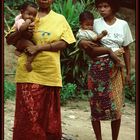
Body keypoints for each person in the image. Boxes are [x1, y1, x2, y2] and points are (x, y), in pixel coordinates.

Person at [6, 0, 76, 139]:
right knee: (28, 115)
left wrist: (39, 47)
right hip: (28, 73)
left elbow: (64, 43)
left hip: (50, 73)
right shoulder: (28, 14)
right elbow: (9, 39)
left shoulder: (59, 19)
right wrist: (23, 30)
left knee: (47, 117)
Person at [78, 0, 133, 140]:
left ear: (113, 7)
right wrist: (83, 43)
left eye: (106, 6)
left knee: (116, 106)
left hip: (116, 68)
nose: (102, 9)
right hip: (97, 67)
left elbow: (126, 50)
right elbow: (83, 40)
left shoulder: (123, 25)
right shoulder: (94, 23)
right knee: (96, 104)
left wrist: (128, 73)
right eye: (100, 7)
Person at [13, 1, 38, 72]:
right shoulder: (20, 21)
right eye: (29, 14)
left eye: (34, 15)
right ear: (22, 12)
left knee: (34, 45)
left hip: (24, 40)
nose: (31, 17)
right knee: (33, 49)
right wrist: (27, 22)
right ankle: (28, 63)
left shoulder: (28, 20)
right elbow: (21, 29)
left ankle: (18, 50)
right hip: (22, 40)